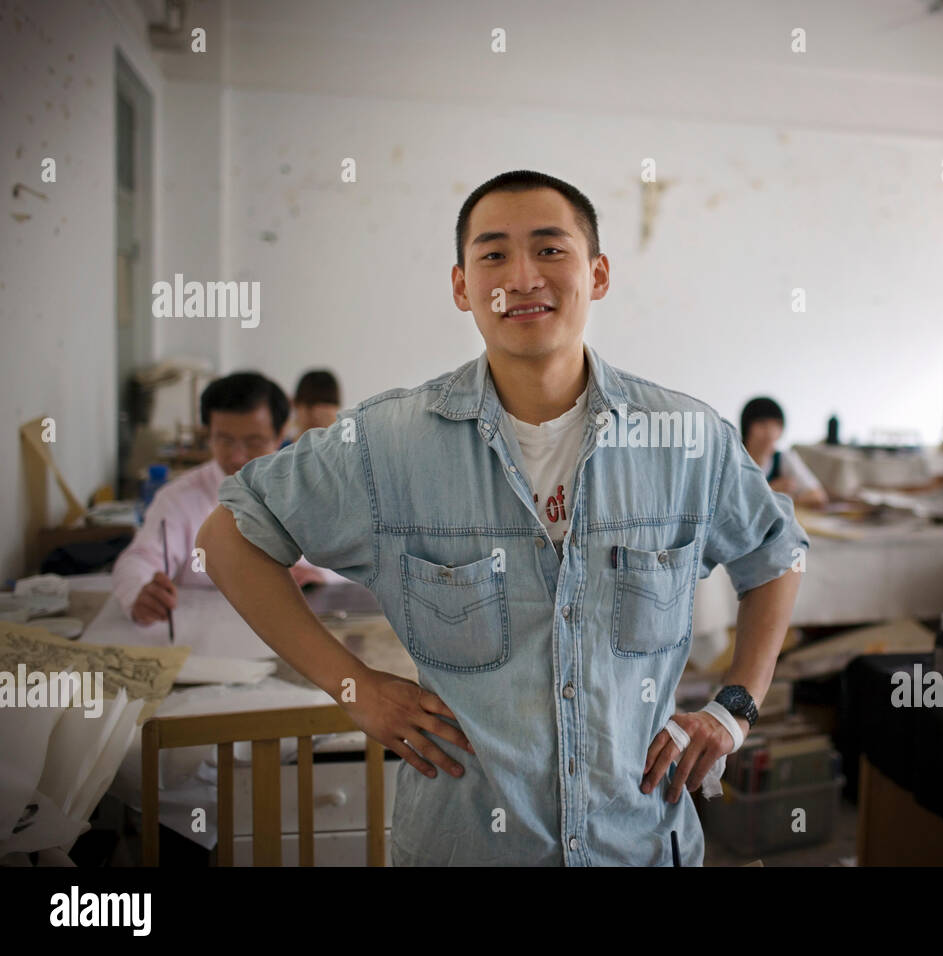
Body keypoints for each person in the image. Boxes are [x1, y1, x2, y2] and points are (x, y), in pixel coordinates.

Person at [197, 170, 809, 867]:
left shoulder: (685, 440)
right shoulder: (387, 444)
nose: (522, 277)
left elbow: (777, 553)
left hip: (639, 843)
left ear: (597, 272)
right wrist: (355, 687)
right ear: (462, 286)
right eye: (493, 255)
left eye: (550, 250)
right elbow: (228, 537)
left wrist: (736, 707)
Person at [111, 372, 347, 626]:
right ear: (208, 433)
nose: (237, 456)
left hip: (299, 636)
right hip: (208, 643)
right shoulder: (178, 498)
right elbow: (140, 559)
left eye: (253, 442)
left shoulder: (311, 490)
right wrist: (141, 591)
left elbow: (359, 561)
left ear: (280, 434)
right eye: (224, 440)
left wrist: (319, 576)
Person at [740, 397, 829, 509]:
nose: (770, 433)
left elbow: (818, 496)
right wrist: (770, 491)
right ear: (747, 427)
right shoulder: (734, 458)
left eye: (776, 425)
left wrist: (784, 500)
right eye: (762, 424)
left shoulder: (783, 458)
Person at [284, 369, 342, 445]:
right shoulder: (277, 450)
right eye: (310, 406)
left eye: (324, 408)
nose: (316, 415)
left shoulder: (346, 452)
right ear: (295, 404)